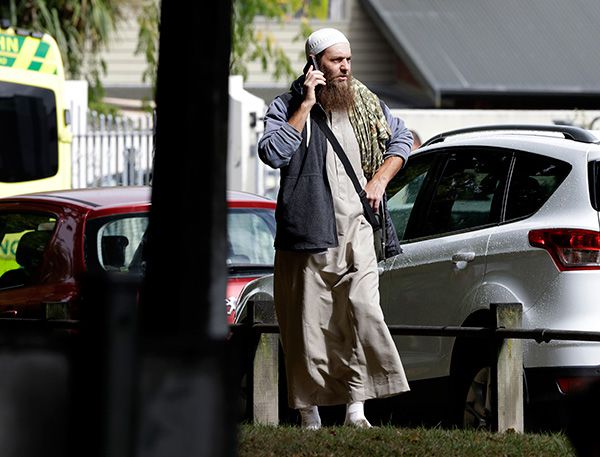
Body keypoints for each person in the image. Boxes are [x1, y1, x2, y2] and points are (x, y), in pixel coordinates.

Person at [258, 28, 411, 429]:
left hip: (358, 228)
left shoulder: (365, 102)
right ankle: (310, 414)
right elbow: (272, 152)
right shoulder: (287, 105)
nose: (345, 67)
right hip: (309, 233)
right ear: (314, 64)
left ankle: (356, 408)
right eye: (335, 61)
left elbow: (402, 138)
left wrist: (380, 179)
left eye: (348, 59)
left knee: (362, 311)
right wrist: (306, 104)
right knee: (309, 326)